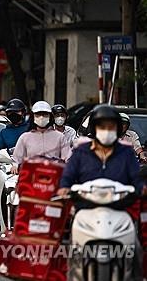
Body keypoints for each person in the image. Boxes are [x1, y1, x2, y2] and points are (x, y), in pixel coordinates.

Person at [57, 105, 143, 278]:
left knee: (137, 247)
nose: (106, 131)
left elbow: (136, 179)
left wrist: (141, 188)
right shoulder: (81, 151)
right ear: (94, 128)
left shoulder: (126, 152)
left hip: (120, 209)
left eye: (111, 127)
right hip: (85, 208)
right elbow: (68, 176)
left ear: (118, 129)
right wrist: (64, 188)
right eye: (102, 126)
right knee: (64, 245)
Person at [11, 101, 71, 174]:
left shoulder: (60, 137)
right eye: (38, 115)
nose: (41, 117)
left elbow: (68, 159)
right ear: (33, 116)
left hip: (54, 176)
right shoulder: (25, 137)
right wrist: (15, 166)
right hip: (31, 177)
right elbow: (17, 159)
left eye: (45, 115)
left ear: (50, 117)